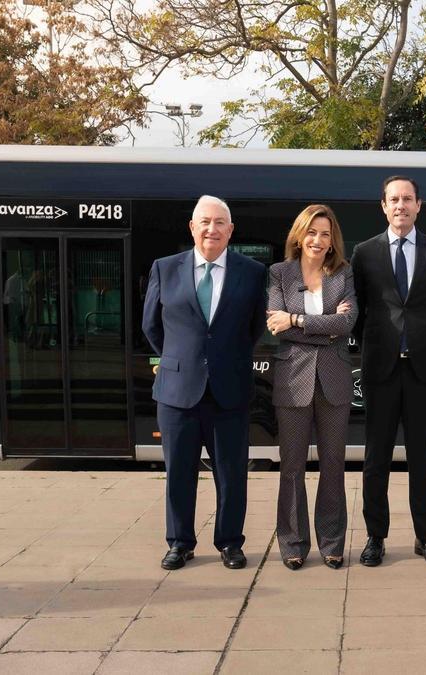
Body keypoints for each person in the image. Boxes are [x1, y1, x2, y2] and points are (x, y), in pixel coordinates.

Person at [143, 195, 267, 571]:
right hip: (177, 392)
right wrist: (183, 360)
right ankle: (180, 543)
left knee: (232, 473)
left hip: (229, 390)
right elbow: (151, 325)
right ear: (192, 228)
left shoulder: (252, 272)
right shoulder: (165, 269)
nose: (212, 229)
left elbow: (255, 328)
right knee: (179, 473)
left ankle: (230, 543)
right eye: (205, 222)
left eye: (219, 223)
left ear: (231, 231)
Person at [352, 175, 426, 566]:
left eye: (408, 199)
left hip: (423, 372)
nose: (401, 205)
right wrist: (381, 343)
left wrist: (425, 342)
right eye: (394, 199)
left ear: (419, 205)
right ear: (383, 206)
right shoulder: (364, 253)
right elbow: (360, 311)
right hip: (380, 371)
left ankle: (425, 537)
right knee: (375, 458)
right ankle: (375, 538)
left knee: (422, 458)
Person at [267, 204, 358, 570]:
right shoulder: (279, 274)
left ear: (332, 240)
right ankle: (293, 543)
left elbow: (348, 323)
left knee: (333, 465)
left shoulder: (344, 274)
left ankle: (332, 542)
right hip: (292, 381)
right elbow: (277, 325)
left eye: (324, 233)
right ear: (299, 235)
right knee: (291, 466)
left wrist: (299, 319)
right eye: (311, 232)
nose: (317, 240)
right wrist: (326, 326)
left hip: (334, 381)